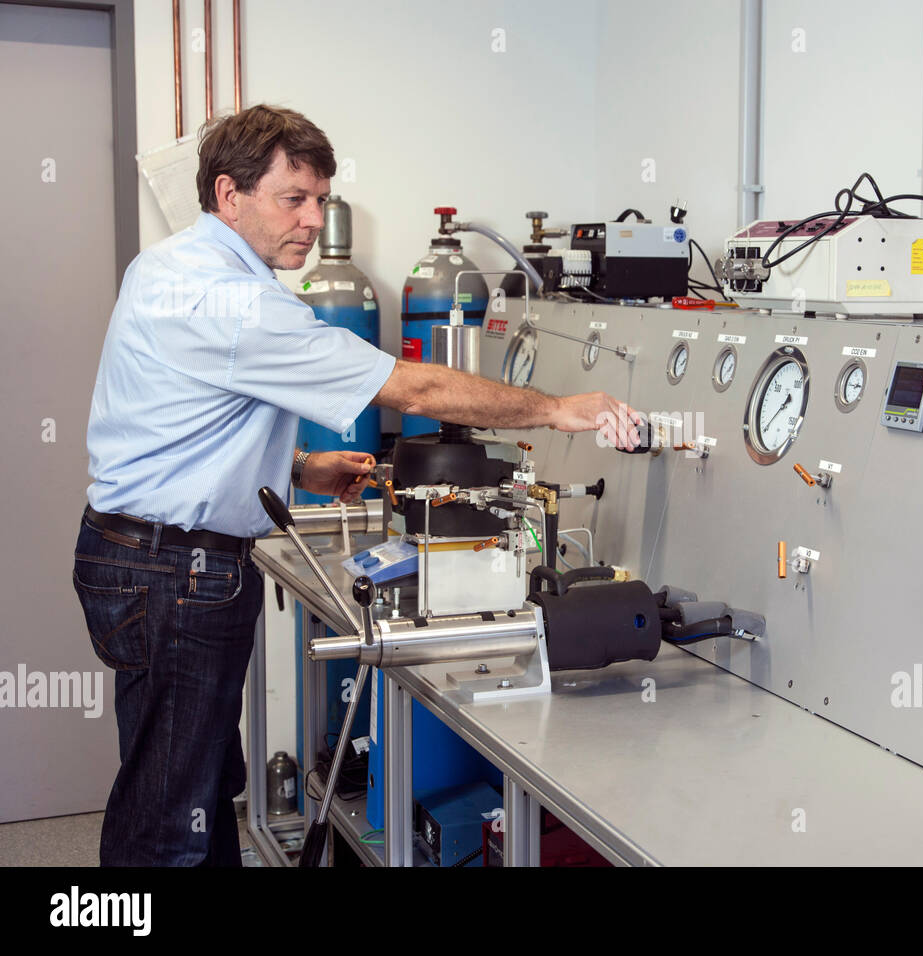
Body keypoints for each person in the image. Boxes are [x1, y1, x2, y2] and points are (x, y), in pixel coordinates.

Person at [73, 104, 640, 866]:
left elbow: (176, 426)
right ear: (228, 195)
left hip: (131, 556)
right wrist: (555, 409)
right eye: (292, 198)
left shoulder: (167, 266)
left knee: (186, 783)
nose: (311, 220)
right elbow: (415, 392)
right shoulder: (241, 303)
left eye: (320, 200)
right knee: (172, 821)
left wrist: (298, 469)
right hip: (182, 574)